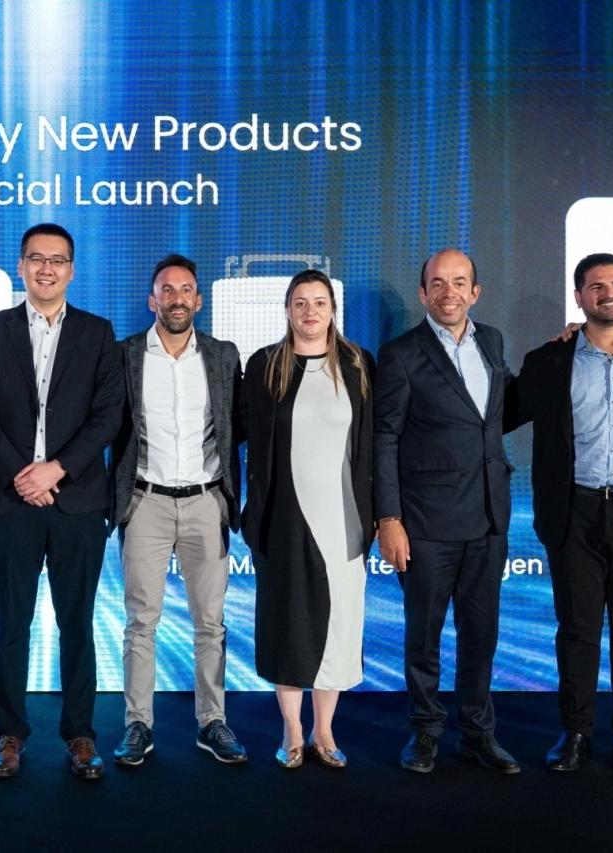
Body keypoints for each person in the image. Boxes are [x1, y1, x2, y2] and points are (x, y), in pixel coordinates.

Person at [0, 223, 124, 779]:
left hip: (77, 500)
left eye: (57, 260)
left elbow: (109, 414)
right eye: (37, 258)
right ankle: (10, 734)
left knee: (77, 623)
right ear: (21, 266)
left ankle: (80, 735)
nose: (46, 268)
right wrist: (21, 474)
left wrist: (56, 468)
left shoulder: (98, 333)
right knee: (12, 622)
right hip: (13, 500)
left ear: (72, 270)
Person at [505, 253, 613, 781]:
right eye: (596, 286)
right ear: (579, 297)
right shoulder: (550, 359)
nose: (609, 293)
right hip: (574, 511)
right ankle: (575, 734)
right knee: (577, 630)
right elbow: (497, 417)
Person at [375, 248, 519, 774]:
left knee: (481, 638)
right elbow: (385, 438)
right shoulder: (400, 354)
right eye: (437, 283)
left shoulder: (493, 342)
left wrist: (564, 352)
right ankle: (425, 732)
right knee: (424, 638)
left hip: (488, 518)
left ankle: (478, 734)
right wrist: (389, 519)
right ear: (422, 293)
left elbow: (497, 414)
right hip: (426, 523)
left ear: (475, 293)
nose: (448, 292)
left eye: (459, 282)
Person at [109, 253, 247, 767]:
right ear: (153, 300)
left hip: (206, 501)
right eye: (167, 290)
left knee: (210, 622)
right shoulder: (125, 355)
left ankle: (212, 721)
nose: (176, 298)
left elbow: (237, 426)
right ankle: (137, 725)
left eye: (185, 289)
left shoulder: (223, 356)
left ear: (199, 300)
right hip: (144, 500)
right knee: (140, 622)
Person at [242, 269, 375, 769]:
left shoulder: (358, 364)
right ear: (288, 309)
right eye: (301, 302)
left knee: (338, 623)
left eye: (320, 302)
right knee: (287, 624)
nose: (310, 311)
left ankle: (324, 731)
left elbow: (372, 445)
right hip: (283, 519)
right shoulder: (265, 365)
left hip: (344, 520)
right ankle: (292, 731)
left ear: (333, 310)